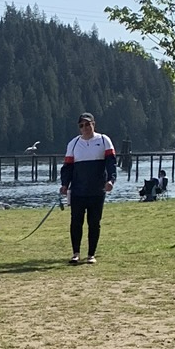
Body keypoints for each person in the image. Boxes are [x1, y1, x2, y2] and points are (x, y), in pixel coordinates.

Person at [60, 112, 117, 265]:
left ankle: (91, 254)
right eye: (82, 125)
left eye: (87, 124)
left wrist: (111, 180)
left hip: (97, 191)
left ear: (93, 124)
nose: (85, 128)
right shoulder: (73, 144)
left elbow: (111, 163)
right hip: (78, 191)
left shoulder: (104, 140)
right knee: (76, 222)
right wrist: (65, 184)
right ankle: (76, 253)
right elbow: (67, 167)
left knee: (94, 223)